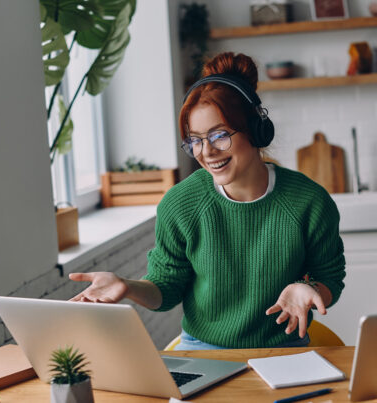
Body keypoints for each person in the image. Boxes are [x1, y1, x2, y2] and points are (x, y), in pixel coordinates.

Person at [70, 52, 346, 350]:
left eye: (219, 135)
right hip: (203, 350)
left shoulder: (309, 201)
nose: (207, 152)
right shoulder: (180, 204)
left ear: (256, 129)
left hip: (283, 348)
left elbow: (330, 276)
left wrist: (308, 288)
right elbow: (167, 287)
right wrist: (128, 287)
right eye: (195, 140)